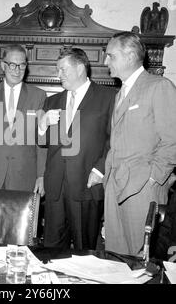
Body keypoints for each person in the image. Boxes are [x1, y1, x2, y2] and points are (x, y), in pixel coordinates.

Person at [103, 31, 176, 256]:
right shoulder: (120, 93)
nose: (106, 62)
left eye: (110, 56)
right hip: (115, 184)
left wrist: (153, 178)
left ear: (130, 56)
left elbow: (173, 139)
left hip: (143, 188)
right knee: (115, 257)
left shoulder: (159, 86)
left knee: (141, 260)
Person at [38, 47, 116, 250]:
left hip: (87, 185)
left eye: (63, 70)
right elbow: (42, 141)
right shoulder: (52, 101)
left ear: (80, 68)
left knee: (85, 251)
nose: (58, 75)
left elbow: (114, 140)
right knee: (51, 251)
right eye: (58, 70)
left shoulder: (109, 97)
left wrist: (100, 169)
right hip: (55, 187)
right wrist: (43, 124)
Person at [0, 44, 47, 195]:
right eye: (12, 64)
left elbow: (42, 141)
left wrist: (41, 175)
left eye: (21, 65)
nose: (17, 70)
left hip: (23, 177)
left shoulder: (38, 96)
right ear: (2, 65)